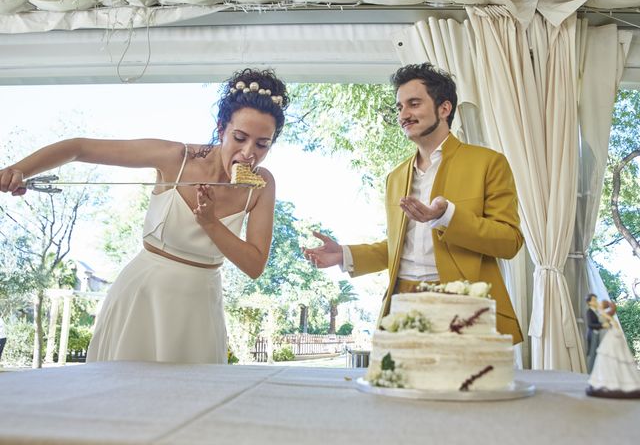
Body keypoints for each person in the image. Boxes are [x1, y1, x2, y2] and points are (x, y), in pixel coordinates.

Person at [0, 68, 289, 363]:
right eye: (239, 137)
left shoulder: (263, 185)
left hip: (200, 309)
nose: (248, 153)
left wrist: (210, 222)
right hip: (141, 297)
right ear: (221, 129)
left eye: (262, 144)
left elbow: (254, 265)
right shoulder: (176, 158)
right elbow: (79, 148)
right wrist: (19, 170)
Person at [303, 63, 524, 343]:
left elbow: (509, 241)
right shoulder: (395, 178)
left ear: (444, 108)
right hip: (402, 302)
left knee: (464, 387)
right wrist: (345, 254)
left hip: (464, 304)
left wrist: (447, 217)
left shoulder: (488, 163)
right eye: (399, 107)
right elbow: (400, 248)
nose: (404, 115)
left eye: (414, 104)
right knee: (400, 387)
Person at [585, 293, 607, 373]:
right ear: (589, 302)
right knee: (592, 354)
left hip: (596, 334)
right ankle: (590, 373)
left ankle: (594, 373)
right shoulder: (589, 312)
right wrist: (602, 325)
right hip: (592, 334)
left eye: (596, 300)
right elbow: (590, 324)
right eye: (594, 300)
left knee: (596, 353)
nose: (596, 302)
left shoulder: (596, 311)